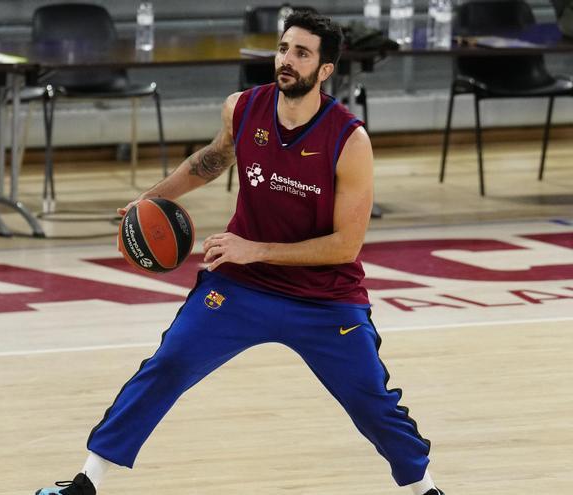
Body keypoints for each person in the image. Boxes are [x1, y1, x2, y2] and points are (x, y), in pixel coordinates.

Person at [35, 11, 444, 495]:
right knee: (167, 366)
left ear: (325, 70)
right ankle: (86, 481)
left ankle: (425, 489)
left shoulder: (349, 140)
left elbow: (344, 246)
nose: (287, 60)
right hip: (241, 286)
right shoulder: (244, 108)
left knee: (370, 400)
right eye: (284, 48)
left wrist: (255, 249)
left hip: (323, 297)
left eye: (302, 53)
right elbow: (208, 161)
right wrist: (152, 199)